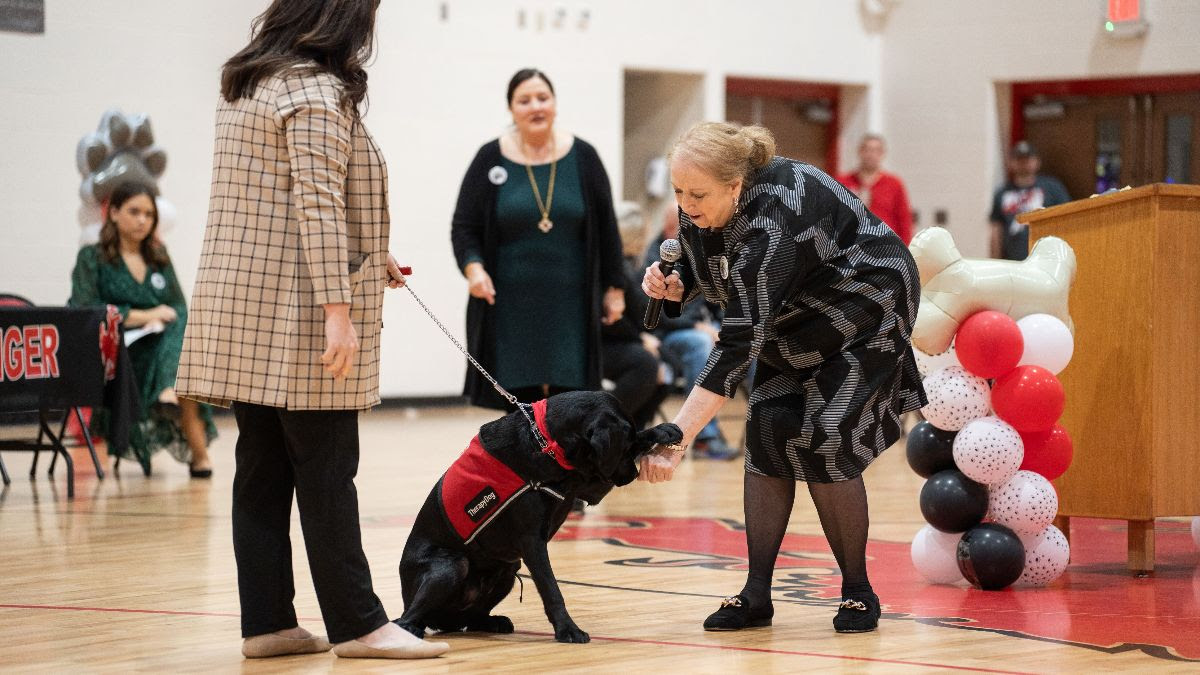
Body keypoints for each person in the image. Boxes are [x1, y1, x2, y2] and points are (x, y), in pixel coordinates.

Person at [176, 0, 447, 661]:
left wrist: (370, 250)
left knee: (261, 469)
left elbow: (275, 198)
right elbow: (316, 202)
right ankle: (359, 623)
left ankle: (267, 622)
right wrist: (337, 308)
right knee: (328, 469)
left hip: (243, 306)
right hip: (298, 310)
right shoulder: (314, 90)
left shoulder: (248, 82)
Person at [640, 122, 926, 634]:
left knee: (826, 436)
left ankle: (858, 590)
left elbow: (735, 344)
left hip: (866, 309)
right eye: (679, 192)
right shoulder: (703, 207)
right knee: (768, 432)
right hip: (794, 315)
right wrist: (678, 285)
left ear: (736, 185)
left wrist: (676, 436)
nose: (686, 205)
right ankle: (755, 595)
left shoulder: (774, 218)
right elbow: (718, 273)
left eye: (697, 194)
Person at [450, 68, 625, 410]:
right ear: (511, 109)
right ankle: (519, 464)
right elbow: (464, 225)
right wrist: (473, 269)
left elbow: (608, 229)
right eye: (524, 100)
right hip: (507, 305)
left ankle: (563, 465)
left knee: (571, 404)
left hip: (571, 306)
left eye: (543, 98)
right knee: (516, 407)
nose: (535, 107)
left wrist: (614, 289)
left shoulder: (584, 157)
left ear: (555, 104)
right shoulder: (490, 157)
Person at [69, 180, 216, 477]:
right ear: (113, 213)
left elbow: (178, 307)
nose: (142, 220)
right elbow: (84, 309)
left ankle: (168, 392)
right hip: (118, 352)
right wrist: (142, 315)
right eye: (134, 211)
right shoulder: (92, 258)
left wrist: (160, 319)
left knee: (181, 325)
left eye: (149, 215)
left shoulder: (158, 258)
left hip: (161, 346)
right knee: (183, 366)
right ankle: (197, 451)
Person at [643, 206, 738, 460]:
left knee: (746, 342)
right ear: (669, 230)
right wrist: (698, 327)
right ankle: (705, 438)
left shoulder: (700, 253)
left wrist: (725, 325)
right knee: (699, 343)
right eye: (683, 227)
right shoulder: (656, 260)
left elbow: (714, 299)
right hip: (668, 334)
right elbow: (658, 317)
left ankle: (763, 435)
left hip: (702, 327)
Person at [601, 202, 669, 430]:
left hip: (625, 338)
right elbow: (611, 320)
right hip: (603, 341)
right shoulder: (611, 266)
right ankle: (603, 425)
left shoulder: (631, 264)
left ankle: (632, 435)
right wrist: (640, 340)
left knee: (668, 366)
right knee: (647, 365)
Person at [989, 140, 1070, 260]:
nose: (1023, 163)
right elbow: (996, 230)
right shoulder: (1002, 193)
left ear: (1037, 162)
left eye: (1027, 159)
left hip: (1047, 259)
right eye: (1019, 159)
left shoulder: (1052, 187)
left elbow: (1067, 219)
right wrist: (995, 260)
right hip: (1013, 260)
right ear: (1011, 163)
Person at [837, 133, 914, 245]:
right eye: (867, 150)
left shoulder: (894, 184)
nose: (871, 155)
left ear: (882, 154)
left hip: (885, 248)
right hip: (851, 247)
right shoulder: (843, 182)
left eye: (875, 151)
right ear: (860, 151)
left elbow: (905, 221)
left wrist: (905, 251)